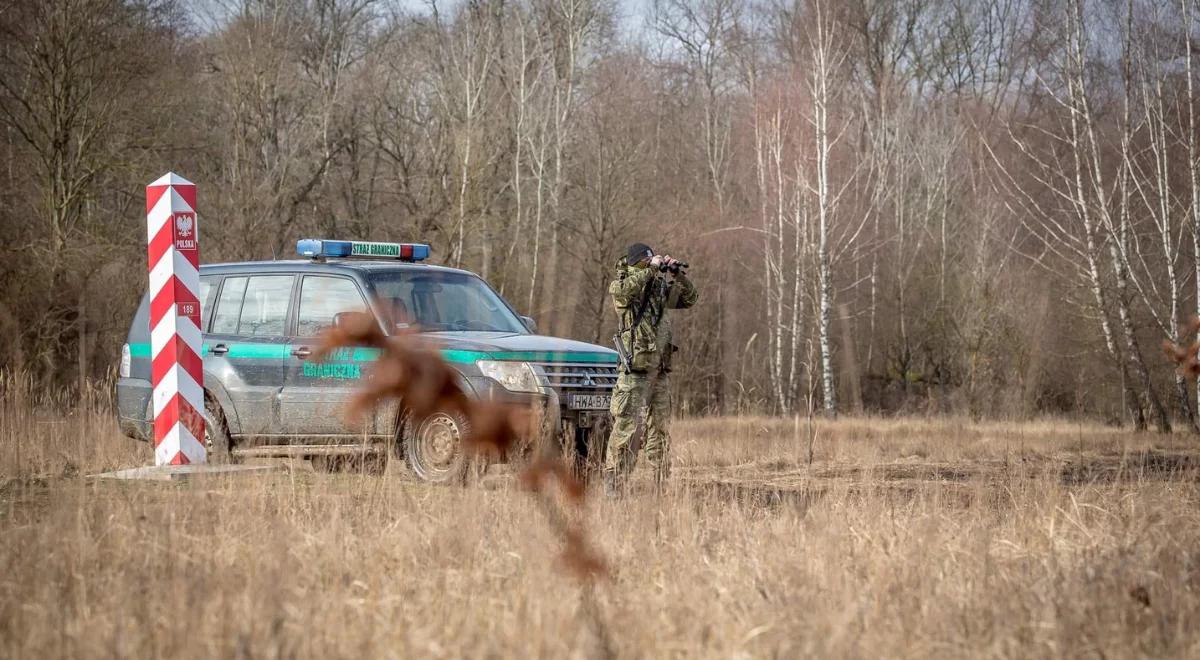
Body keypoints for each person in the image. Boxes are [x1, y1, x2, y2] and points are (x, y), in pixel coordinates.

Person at [604, 242, 699, 496]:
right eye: (645, 263)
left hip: (659, 372)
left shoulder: (657, 288)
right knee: (626, 429)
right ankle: (615, 486)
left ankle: (660, 486)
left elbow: (690, 299)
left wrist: (676, 273)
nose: (651, 267)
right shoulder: (622, 285)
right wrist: (651, 269)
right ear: (635, 264)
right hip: (633, 373)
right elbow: (624, 293)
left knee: (660, 429)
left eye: (651, 262)